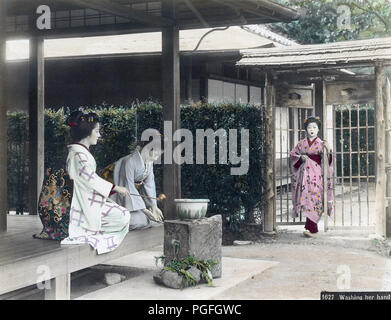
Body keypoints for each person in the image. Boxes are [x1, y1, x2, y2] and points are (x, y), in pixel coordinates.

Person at [60, 111, 132, 254]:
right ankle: (92, 231)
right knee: (123, 216)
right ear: (87, 133)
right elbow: (90, 179)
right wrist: (116, 188)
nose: (99, 135)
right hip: (82, 202)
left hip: (88, 198)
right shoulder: (78, 155)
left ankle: (96, 230)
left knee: (124, 215)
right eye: (97, 131)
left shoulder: (80, 153)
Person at [290, 116, 333, 238]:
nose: (312, 129)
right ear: (306, 129)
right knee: (306, 198)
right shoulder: (301, 143)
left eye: (314, 127)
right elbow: (293, 154)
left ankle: (313, 228)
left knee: (315, 198)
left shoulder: (321, 144)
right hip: (304, 175)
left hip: (316, 175)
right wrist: (301, 158)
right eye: (309, 127)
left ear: (318, 129)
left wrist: (328, 149)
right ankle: (310, 228)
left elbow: (328, 161)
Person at [110, 135, 164, 228]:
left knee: (154, 220)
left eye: (159, 154)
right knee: (138, 221)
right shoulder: (129, 161)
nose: (156, 157)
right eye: (155, 153)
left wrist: (153, 206)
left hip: (134, 199)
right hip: (117, 194)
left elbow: (149, 185)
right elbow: (128, 187)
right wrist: (145, 210)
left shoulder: (149, 162)